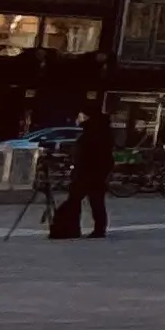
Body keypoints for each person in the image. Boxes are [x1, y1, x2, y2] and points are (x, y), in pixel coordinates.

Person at [55, 98, 114, 241]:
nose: (78, 118)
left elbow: (87, 154)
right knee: (95, 201)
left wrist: (78, 168)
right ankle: (97, 228)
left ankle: (75, 228)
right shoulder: (102, 130)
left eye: (81, 115)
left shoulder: (92, 132)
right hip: (96, 172)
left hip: (88, 172)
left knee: (79, 199)